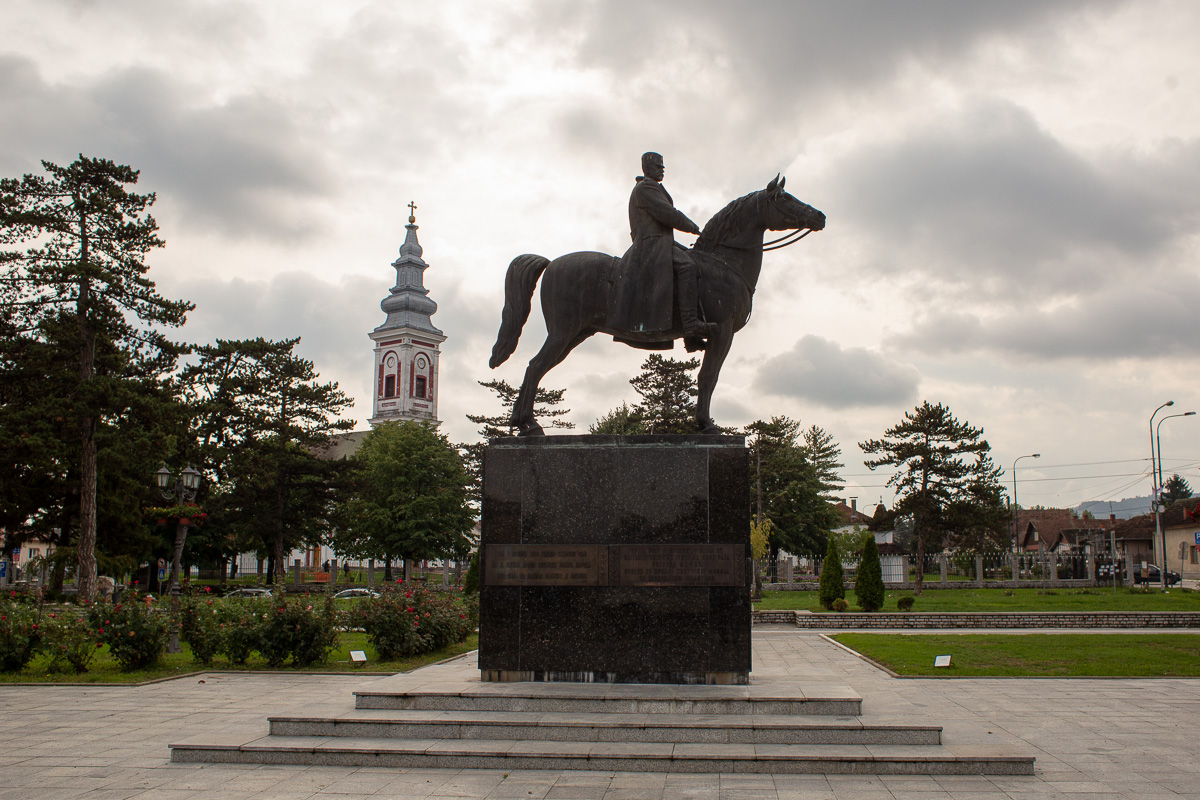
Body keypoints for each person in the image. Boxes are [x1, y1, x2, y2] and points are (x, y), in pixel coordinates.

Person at [610, 152, 717, 342]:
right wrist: (692, 227)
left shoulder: (653, 187)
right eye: (659, 167)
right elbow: (667, 213)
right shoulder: (646, 187)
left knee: (693, 258)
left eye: (663, 167)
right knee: (687, 266)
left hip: (661, 242)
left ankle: (688, 326)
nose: (662, 170)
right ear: (647, 169)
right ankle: (691, 324)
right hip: (651, 244)